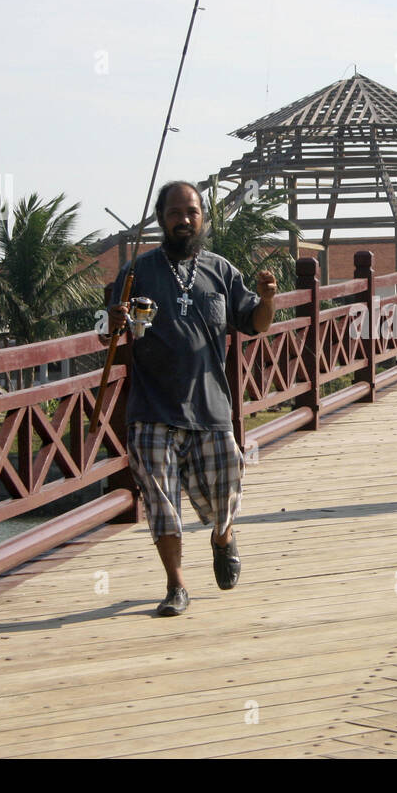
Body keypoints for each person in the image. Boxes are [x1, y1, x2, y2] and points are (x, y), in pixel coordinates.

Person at [104, 181, 277, 616]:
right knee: (160, 499)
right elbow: (105, 331)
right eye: (176, 213)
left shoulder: (221, 271)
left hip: (210, 406)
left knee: (227, 489)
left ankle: (222, 536)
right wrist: (113, 320)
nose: (184, 220)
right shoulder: (134, 273)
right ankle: (176, 586)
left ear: (203, 217)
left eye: (192, 212)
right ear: (162, 219)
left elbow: (255, 323)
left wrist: (270, 299)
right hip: (151, 407)